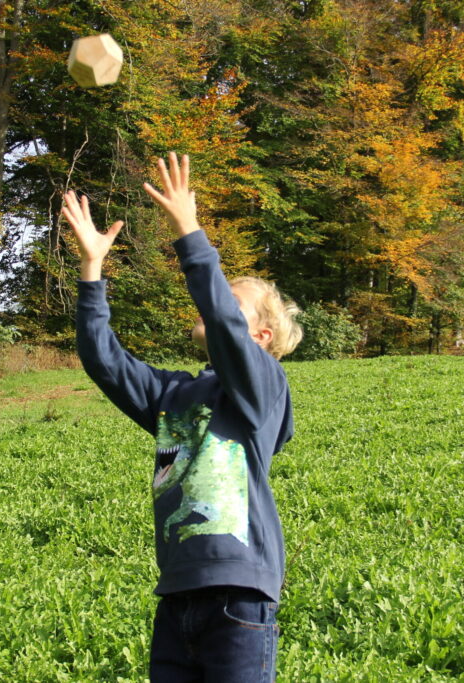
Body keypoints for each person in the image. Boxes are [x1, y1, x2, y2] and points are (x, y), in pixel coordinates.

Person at [63, 152, 302, 682]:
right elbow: (104, 361)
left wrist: (187, 227)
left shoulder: (263, 389)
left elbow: (221, 319)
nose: (212, 309)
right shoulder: (175, 393)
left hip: (239, 595)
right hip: (176, 593)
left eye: (233, 306)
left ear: (259, 337)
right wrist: (91, 267)